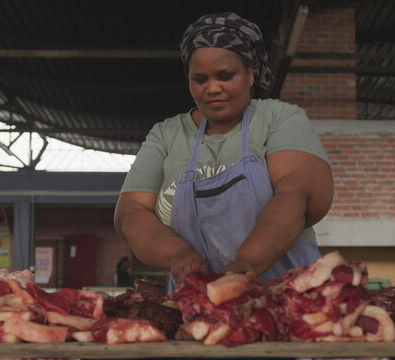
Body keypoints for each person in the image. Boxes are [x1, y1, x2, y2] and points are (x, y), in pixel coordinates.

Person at [114, 12, 333, 292]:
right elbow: (131, 212)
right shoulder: (166, 135)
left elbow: (297, 193)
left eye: (225, 76)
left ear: (250, 74)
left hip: (292, 301)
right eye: (200, 79)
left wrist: (249, 262)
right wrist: (177, 255)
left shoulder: (280, 119)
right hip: (198, 310)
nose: (212, 88)